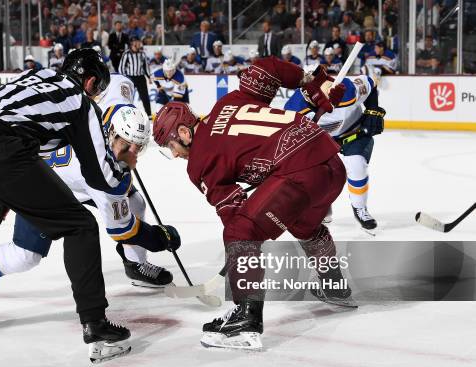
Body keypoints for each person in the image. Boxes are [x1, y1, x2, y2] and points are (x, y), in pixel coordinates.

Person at [0, 49, 155, 363]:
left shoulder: (37, 77)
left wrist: (5, 187)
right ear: (89, 82)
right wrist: (125, 164)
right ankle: (96, 325)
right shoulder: (80, 101)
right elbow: (100, 179)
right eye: (97, 89)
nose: (97, 96)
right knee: (80, 226)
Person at [152, 58, 354, 350]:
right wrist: (312, 82)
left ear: (184, 132)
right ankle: (334, 284)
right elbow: (267, 69)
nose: (174, 154)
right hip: (332, 165)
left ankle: (245, 318)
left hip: (300, 176)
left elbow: (234, 214)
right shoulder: (229, 102)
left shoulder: (198, 163)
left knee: (239, 232)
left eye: (171, 145)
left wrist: (240, 257)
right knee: (304, 224)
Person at [0, 78, 179, 295]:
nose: (132, 154)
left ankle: (136, 266)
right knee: (24, 256)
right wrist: (158, 237)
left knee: (135, 202)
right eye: (125, 145)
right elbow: (122, 230)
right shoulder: (105, 174)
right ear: (111, 133)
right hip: (40, 187)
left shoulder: (110, 110)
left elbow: (118, 81)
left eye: (138, 148)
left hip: (68, 175)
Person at [285, 73, 385, 233]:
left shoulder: (349, 88)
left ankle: (360, 208)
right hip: (320, 140)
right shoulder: (294, 109)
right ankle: (323, 207)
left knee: (357, 165)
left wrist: (373, 110)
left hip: (353, 131)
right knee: (316, 176)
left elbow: (372, 82)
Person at [118, 37, 152, 118]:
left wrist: (149, 77)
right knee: (128, 97)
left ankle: (149, 114)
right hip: (130, 78)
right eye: (137, 42)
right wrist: (124, 78)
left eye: (139, 42)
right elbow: (121, 68)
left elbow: (145, 66)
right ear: (132, 43)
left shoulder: (142, 54)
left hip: (140, 77)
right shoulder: (126, 54)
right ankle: (127, 114)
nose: (139, 44)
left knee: (145, 96)